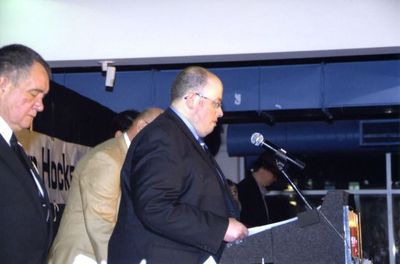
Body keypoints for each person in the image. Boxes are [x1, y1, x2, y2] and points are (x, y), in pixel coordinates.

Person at [108, 66, 248, 264]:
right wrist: (221, 228)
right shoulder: (163, 137)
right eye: (216, 103)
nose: (221, 112)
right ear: (192, 99)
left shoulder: (180, 138)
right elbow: (154, 206)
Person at [47, 108, 163, 264]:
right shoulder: (109, 158)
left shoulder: (126, 157)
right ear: (142, 127)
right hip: (86, 256)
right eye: (160, 136)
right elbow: (101, 225)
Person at [0, 44, 53, 263]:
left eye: (43, 97)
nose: (40, 106)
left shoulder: (14, 144)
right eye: (34, 94)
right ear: (2, 85)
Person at [238, 152, 295, 227]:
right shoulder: (245, 190)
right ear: (263, 169)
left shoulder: (251, 188)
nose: (275, 179)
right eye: (275, 175)